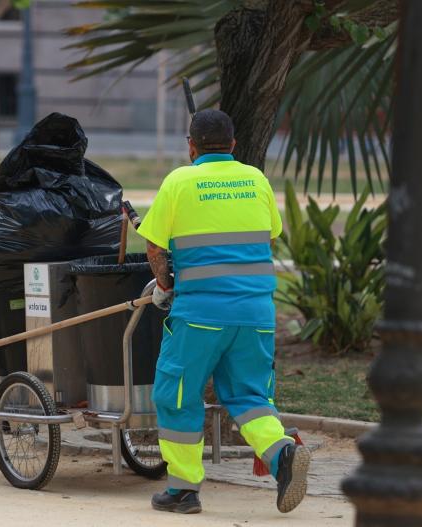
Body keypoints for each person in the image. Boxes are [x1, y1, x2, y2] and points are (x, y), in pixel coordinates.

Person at [136, 109, 310, 515]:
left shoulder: (179, 181)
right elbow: (269, 234)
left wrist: (165, 286)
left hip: (200, 315)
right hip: (256, 314)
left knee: (176, 395)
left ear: (190, 146)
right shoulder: (256, 179)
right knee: (249, 395)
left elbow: (154, 247)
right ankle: (282, 454)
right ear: (233, 145)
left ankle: (182, 489)